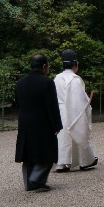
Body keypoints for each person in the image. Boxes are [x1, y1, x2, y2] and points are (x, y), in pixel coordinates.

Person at [15, 54, 62, 192]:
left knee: (28, 154)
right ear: (44, 66)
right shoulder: (46, 82)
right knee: (47, 153)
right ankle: (36, 179)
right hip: (42, 123)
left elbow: (18, 104)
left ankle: (29, 183)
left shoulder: (20, 82)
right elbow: (52, 106)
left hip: (24, 122)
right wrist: (56, 125)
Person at [53, 49, 98, 173]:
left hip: (60, 111)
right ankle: (85, 161)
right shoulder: (74, 80)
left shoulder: (57, 78)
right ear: (75, 64)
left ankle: (61, 163)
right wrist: (87, 104)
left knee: (62, 137)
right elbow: (79, 99)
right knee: (78, 131)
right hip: (72, 110)